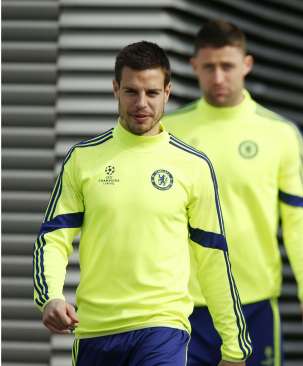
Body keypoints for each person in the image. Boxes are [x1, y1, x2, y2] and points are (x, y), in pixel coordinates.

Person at [33, 41, 251, 366]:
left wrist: (234, 344)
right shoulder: (82, 159)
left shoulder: (192, 165)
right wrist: (49, 297)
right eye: (131, 92)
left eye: (152, 93)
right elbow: (53, 239)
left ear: (167, 92)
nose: (142, 104)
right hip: (95, 332)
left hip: (162, 328)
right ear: (115, 89)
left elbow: (213, 258)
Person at [163, 20, 303, 366]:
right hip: (182, 306)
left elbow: (300, 218)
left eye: (228, 66)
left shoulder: (280, 134)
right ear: (194, 67)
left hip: (252, 306)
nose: (219, 77)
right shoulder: (169, 132)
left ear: (247, 65)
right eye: (209, 67)